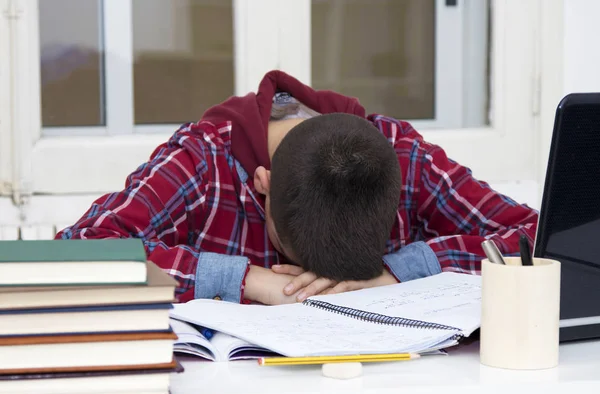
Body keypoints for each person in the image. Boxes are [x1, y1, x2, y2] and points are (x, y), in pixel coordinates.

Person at [56, 70, 539, 305]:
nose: (308, 280)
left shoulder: (404, 156)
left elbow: (540, 236)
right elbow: (77, 253)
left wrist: (398, 271)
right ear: (261, 186)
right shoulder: (202, 161)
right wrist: (247, 280)